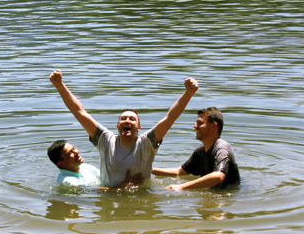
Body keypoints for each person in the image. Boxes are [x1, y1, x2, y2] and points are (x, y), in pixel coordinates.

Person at [49, 69, 199, 188]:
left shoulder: (146, 143)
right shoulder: (106, 140)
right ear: (117, 126)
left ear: (139, 127)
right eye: (123, 118)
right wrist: (60, 86)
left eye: (132, 119)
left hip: (142, 198)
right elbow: (80, 112)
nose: (127, 120)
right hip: (110, 199)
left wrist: (188, 93)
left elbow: (169, 118)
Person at [152, 107, 240, 190]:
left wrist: (181, 187)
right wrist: (151, 170)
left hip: (231, 197)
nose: (195, 126)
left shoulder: (221, 148)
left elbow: (218, 177)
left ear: (214, 126)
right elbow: (179, 172)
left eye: (200, 123)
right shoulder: (200, 152)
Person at [47, 139, 143, 188]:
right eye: (70, 153)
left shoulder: (86, 167)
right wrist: (124, 185)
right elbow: (91, 193)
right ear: (61, 164)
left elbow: (103, 176)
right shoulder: (67, 181)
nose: (76, 152)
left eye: (74, 149)